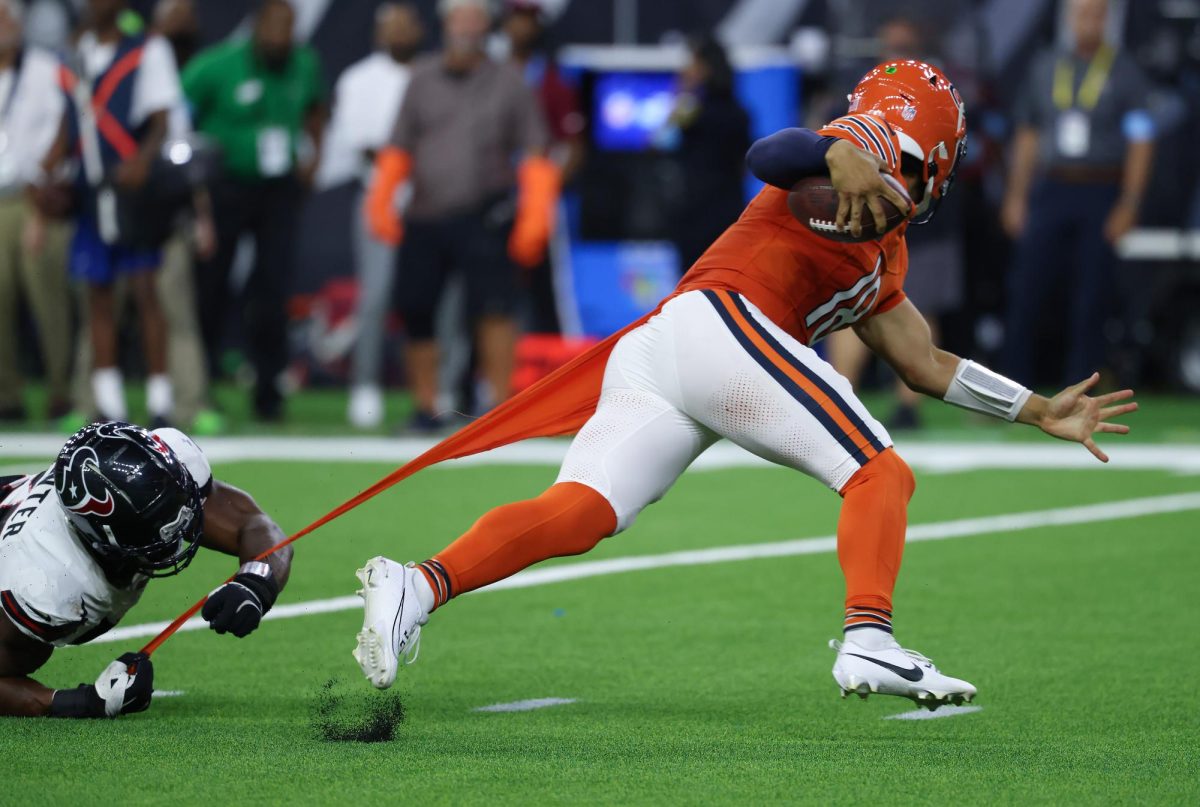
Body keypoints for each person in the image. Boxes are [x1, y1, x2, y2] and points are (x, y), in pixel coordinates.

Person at [352, 61, 1138, 708]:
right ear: (935, 148)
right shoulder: (867, 146)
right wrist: (837, 152)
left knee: (583, 510)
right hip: (720, 324)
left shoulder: (887, 251)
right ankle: (869, 638)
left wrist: (1037, 408)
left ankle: (415, 585)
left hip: (669, 349)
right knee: (879, 469)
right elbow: (773, 154)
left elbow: (925, 363)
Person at [0, 421, 293, 718]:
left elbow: (253, 524)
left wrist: (255, 584)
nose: (179, 529)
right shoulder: (44, 583)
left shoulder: (162, 468)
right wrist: (83, 702)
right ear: (105, 539)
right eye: (156, 527)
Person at [365, 0, 558, 431]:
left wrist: (535, 217)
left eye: (475, 20)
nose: (467, 28)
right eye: (460, 18)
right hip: (425, 213)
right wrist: (381, 198)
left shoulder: (509, 81)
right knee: (416, 309)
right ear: (446, 24)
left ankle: (500, 410)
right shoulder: (421, 79)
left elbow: (536, 152)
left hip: (485, 212)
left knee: (493, 309)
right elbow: (398, 146)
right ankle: (426, 407)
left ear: (487, 27)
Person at [183, 0, 326, 421]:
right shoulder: (216, 64)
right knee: (210, 283)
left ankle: (269, 391)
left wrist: (313, 158)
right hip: (225, 184)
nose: (280, 37)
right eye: (273, 27)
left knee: (273, 287)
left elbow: (316, 110)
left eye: (288, 28)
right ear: (257, 26)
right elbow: (177, 110)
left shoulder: (304, 63)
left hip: (278, 188)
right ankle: (201, 385)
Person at [1001, 0, 1155, 386]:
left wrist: (1130, 201)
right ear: (1070, 18)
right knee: (1026, 287)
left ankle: (1083, 385)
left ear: (1108, 19)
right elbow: (1028, 134)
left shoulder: (1124, 70)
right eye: (1083, 13)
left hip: (1101, 186)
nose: (1090, 22)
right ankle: (1009, 385)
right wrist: (1016, 196)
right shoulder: (1047, 66)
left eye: (1097, 14)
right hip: (1052, 185)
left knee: (1092, 293)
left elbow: (1141, 139)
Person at [825, 16, 967, 430]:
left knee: (912, 304)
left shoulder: (935, 95)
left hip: (913, 218)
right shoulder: (864, 100)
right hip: (872, 213)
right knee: (852, 304)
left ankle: (895, 403)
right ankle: (841, 394)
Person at [47, 0, 180, 425]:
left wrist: (142, 161)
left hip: (130, 192)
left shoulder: (147, 50)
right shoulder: (75, 52)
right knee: (97, 296)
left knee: (145, 291)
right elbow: (70, 119)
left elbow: (161, 119)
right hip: (90, 190)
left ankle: (161, 402)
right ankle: (110, 405)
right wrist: (53, 164)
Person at [327, 2, 424, 429]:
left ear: (419, 31)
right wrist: (414, 161)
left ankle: (443, 391)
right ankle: (365, 386)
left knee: (435, 299)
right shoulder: (358, 79)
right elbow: (363, 141)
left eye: (406, 26)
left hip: (430, 201)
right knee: (376, 296)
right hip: (380, 197)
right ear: (378, 33)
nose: (399, 34)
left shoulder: (432, 74)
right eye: (391, 27)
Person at [0, 0, 72, 422]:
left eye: (7, 16)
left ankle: (60, 391)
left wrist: (42, 196)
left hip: (36, 197)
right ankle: (6, 395)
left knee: (49, 298)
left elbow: (68, 127)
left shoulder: (47, 68)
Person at [665, 34, 751, 272]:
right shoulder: (739, 113)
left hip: (697, 215)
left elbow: (660, 138)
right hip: (727, 215)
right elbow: (743, 166)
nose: (685, 70)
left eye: (692, 63)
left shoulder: (694, 114)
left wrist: (682, 92)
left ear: (706, 68)